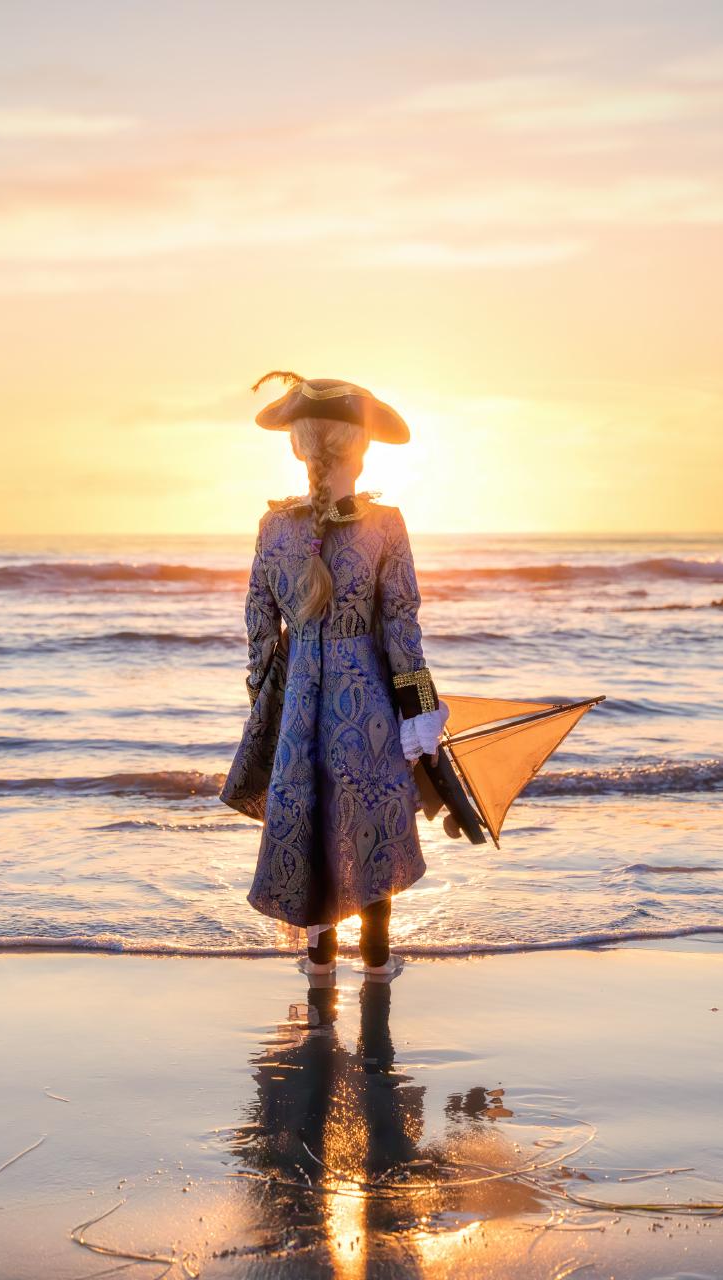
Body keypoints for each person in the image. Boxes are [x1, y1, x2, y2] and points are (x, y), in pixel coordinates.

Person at [219, 371, 450, 980]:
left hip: (299, 704)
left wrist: (263, 707)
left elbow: (260, 636)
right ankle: (377, 960)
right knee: (372, 813)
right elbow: (403, 629)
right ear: (362, 447)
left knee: (310, 813)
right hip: (367, 701)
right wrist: (422, 712)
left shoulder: (273, 528)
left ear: (299, 446)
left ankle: (319, 960)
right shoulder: (387, 524)